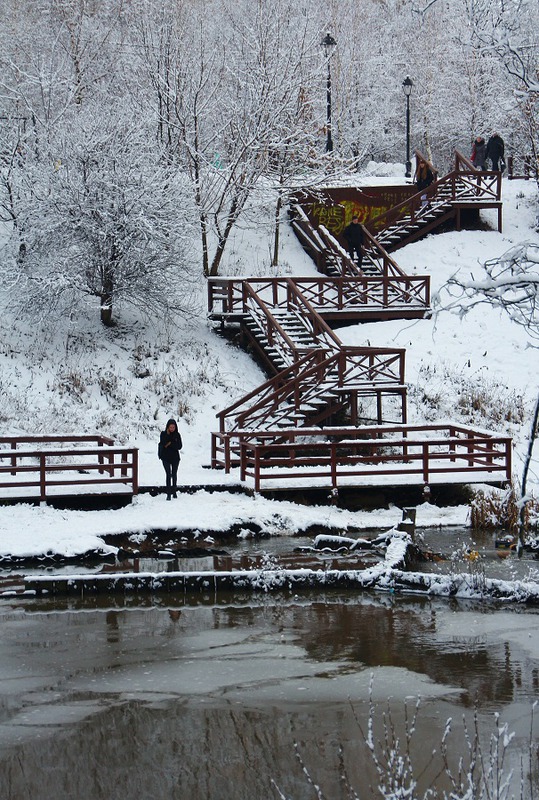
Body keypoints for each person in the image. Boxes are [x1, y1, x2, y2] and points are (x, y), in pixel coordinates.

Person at [159, 418, 183, 500]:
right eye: (171, 427)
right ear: (168, 427)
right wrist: (171, 442)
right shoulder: (163, 434)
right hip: (165, 457)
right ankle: (168, 493)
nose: (172, 429)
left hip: (175, 457)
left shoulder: (177, 435)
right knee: (168, 474)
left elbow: (179, 446)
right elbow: (163, 443)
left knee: (174, 474)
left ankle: (174, 491)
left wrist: (171, 443)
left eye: (173, 427)